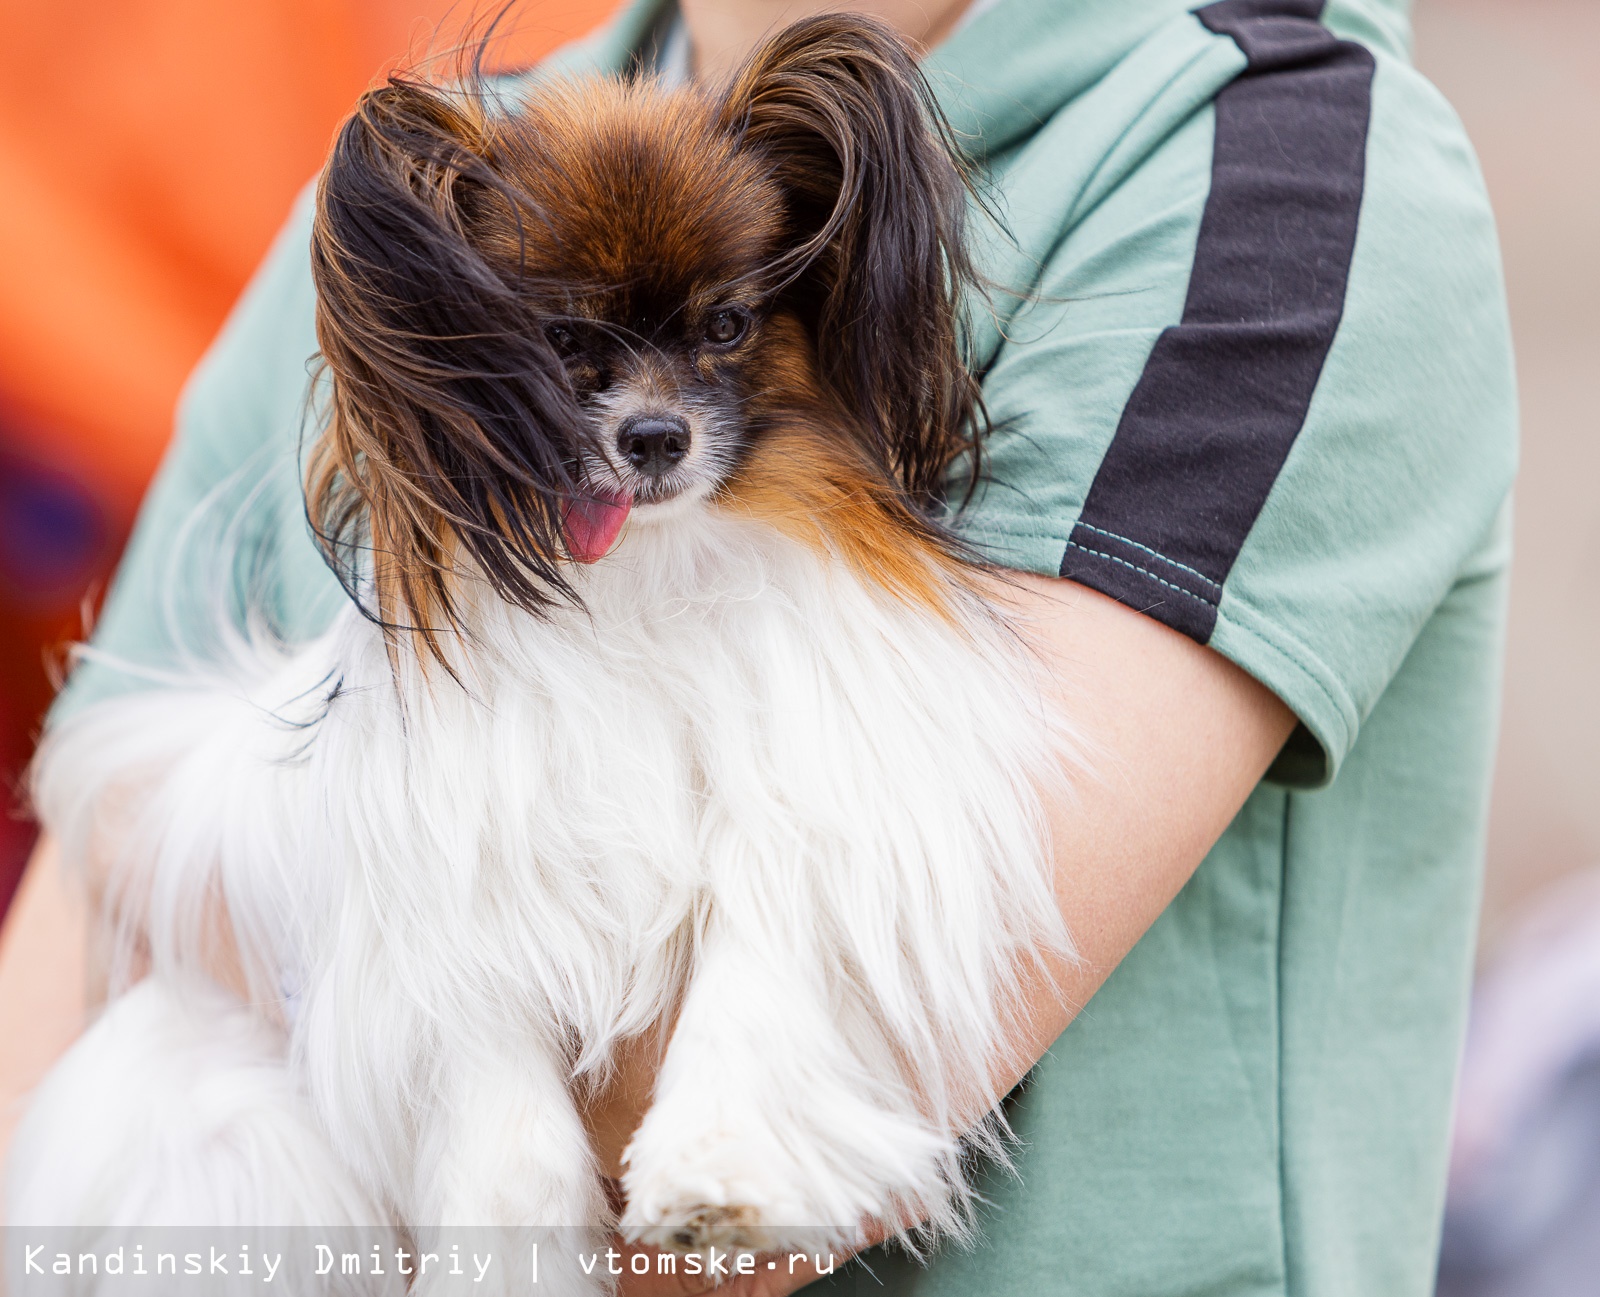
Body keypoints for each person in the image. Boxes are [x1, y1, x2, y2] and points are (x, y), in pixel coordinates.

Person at [0, 0, 1515, 1293]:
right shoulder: (429, 187)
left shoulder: (1268, 170)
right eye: (570, 354)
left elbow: (713, 1195)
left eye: (723, 326)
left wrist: (282, 887)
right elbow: (78, 882)